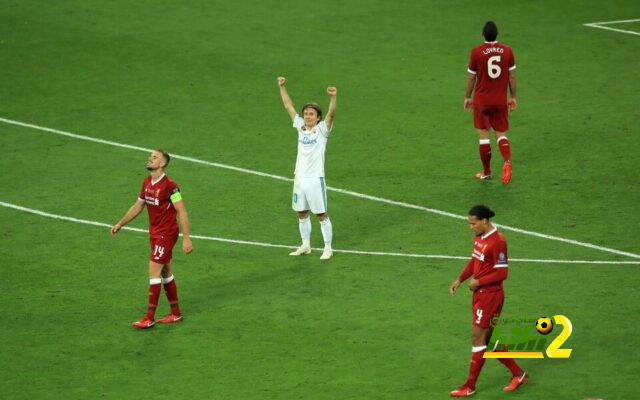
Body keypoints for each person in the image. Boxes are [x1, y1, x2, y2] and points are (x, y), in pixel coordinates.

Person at [449, 205, 527, 397]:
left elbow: (503, 272)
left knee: (478, 338)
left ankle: (470, 386)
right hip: (480, 294)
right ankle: (519, 374)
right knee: (488, 338)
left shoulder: (498, 242)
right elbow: (475, 260)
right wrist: (460, 279)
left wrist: (479, 281)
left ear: (484, 221)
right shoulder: (479, 237)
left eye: (473, 223)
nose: (471, 227)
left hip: (490, 296)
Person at [111, 150, 193, 329]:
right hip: (155, 234)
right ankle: (175, 313)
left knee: (153, 273)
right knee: (165, 273)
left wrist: (186, 239)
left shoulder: (170, 186)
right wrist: (120, 223)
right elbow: (138, 205)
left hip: (166, 234)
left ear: (163, 164)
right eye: (150, 156)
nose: (150, 158)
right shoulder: (147, 182)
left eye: (155, 157)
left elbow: (182, 211)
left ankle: (149, 317)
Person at [277, 76, 337, 260]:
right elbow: (288, 106)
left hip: (314, 178)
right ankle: (306, 245)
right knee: (301, 213)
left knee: (321, 214)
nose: (308, 116)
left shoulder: (322, 130)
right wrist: (282, 86)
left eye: (311, 114)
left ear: (318, 117)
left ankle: (328, 247)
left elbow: (331, 114)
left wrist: (333, 98)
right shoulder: (300, 127)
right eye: (306, 113)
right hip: (299, 178)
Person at [464, 21, 517, 185]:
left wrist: (467, 96)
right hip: (500, 100)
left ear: (482, 35)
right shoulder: (507, 51)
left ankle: (486, 172)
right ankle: (507, 163)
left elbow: (472, 77)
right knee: (501, 135)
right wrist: (513, 96)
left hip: (481, 101)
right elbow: (512, 76)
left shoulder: (476, 52)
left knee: (484, 138)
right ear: (497, 34)